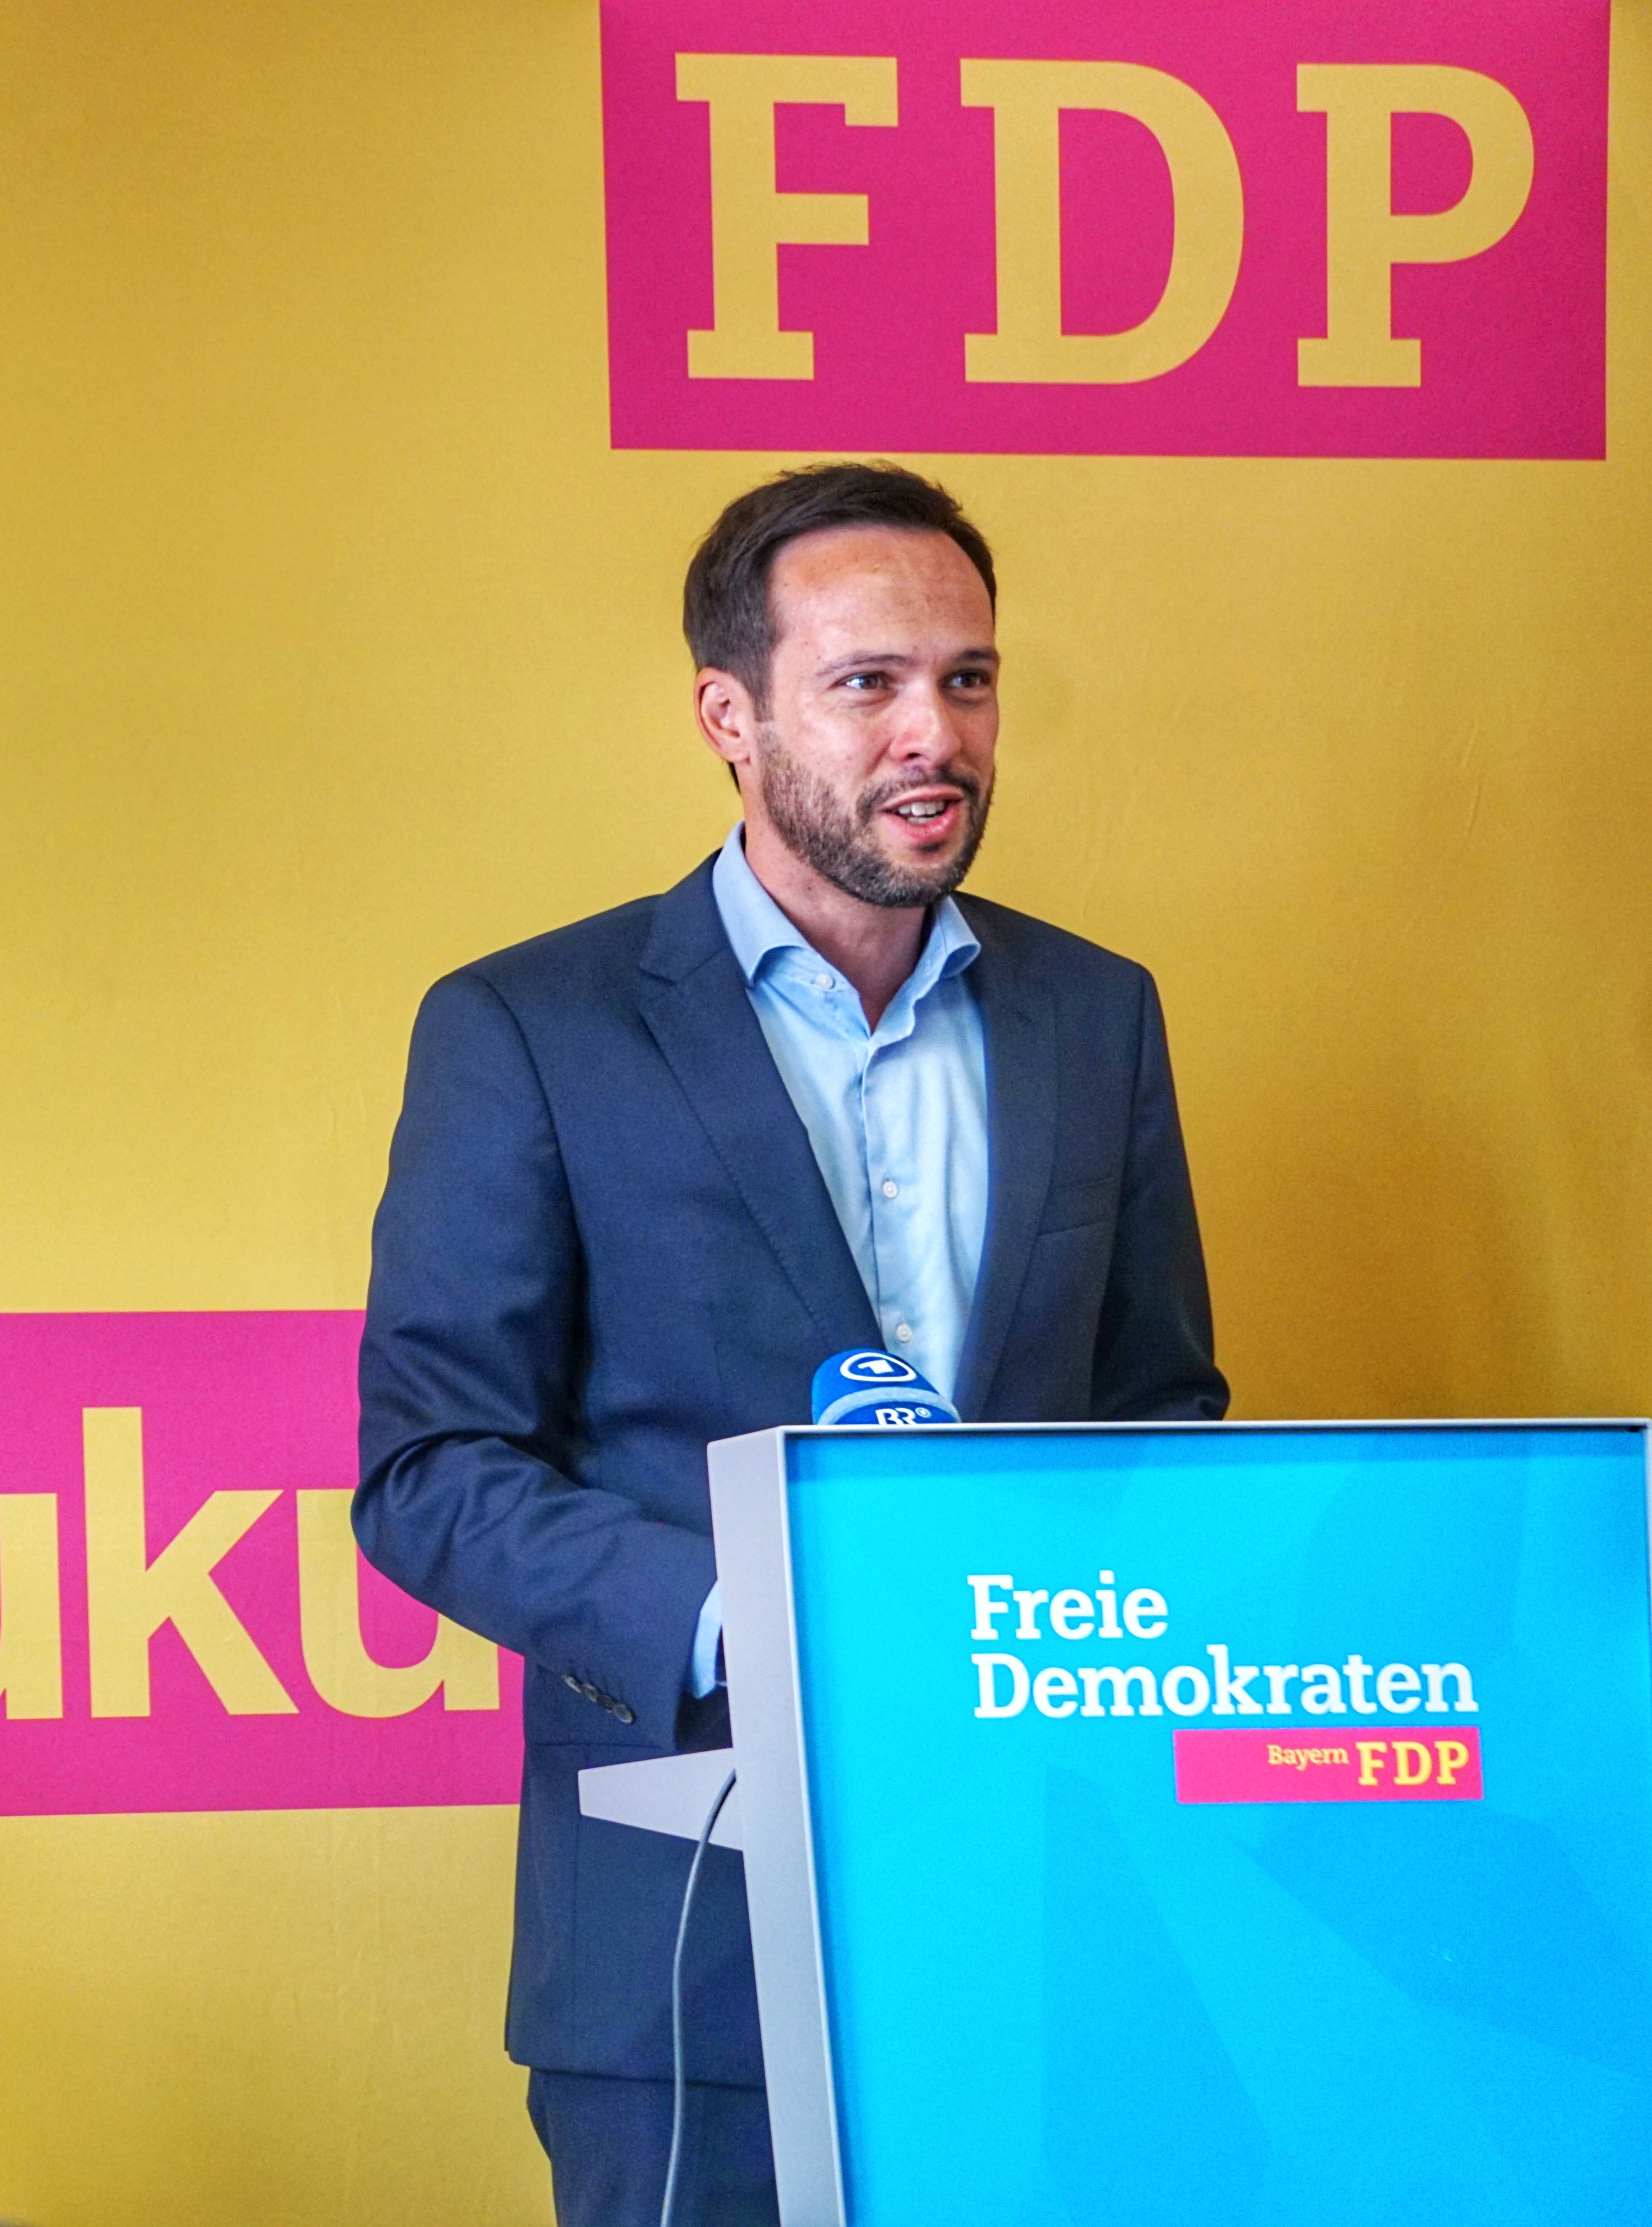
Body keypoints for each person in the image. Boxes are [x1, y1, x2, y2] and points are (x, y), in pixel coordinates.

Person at [353, 463, 1227, 2224]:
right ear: (729, 717)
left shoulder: (1096, 1015)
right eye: (870, 684)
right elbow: (430, 1470)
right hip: (693, 1966)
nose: (937, 734)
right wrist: (757, 1604)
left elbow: (1157, 1419)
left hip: (1053, 1931)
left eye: (968, 680)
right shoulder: (531, 1028)